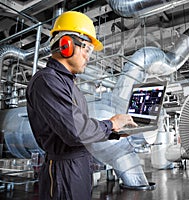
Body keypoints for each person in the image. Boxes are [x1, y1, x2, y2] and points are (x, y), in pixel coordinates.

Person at [26, 11, 137, 200]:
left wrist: (112, 132)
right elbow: (75, 131)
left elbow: (79, 123)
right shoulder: (47, 81)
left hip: (77, 166)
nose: (88, 57)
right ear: (66, 45)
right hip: (63, 173)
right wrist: (111, 124)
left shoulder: (67, 83)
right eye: (86, 49)